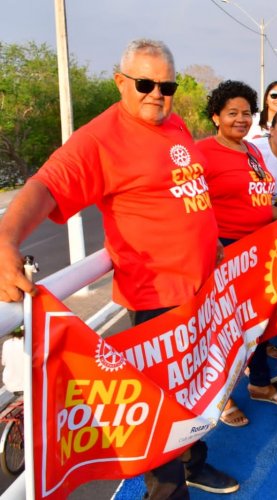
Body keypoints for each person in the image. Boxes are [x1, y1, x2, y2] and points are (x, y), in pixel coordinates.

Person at [0, 39, 237, 497]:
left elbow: (184, 192)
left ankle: (194, 462)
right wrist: (5, 239)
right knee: (160, 410)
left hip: (200, 292)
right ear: (120, 82)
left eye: (166, 85)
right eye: (145, 83)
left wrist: (212, 243)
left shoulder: (175, 124)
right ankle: (168, 491)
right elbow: (44, 187)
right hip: (156, 303)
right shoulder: (99, 139)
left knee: (193, 393)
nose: (157, 94)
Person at [198, 79, 277, 428]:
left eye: (247, 113)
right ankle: (220, 399)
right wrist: (209, 242)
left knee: (256, 321)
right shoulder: (202, 152)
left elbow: (262, 205)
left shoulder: (251, 151)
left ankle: (260, 383)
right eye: (232, 113)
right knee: (224, 328)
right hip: (225, 251)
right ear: (215, 117)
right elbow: (191, 204)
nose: (241, 119)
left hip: (257, 249)